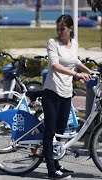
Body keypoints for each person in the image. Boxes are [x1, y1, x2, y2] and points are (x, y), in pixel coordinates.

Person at [42, 14, 91, 179]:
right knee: (50, 132)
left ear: (71, 29)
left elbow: (75, 60)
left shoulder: (74, 43)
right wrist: (76, 75)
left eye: (62, 29)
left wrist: (89, 70)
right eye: (58, 29)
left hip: (66, 93)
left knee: (60, 132)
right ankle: (50, 170)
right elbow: (55, 65)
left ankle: (57, 165)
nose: (59, 32)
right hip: (51, 92)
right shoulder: (52, 42)